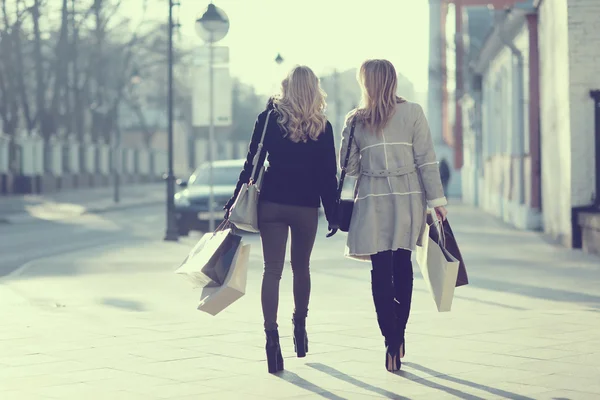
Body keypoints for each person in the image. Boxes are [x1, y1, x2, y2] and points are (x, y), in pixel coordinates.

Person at [224, 66, 338, 374]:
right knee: (301, 268)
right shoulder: (322, 127)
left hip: (271, 205)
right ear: (315, 89)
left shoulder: (268, 120)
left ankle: (271, 340)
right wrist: (333, 212)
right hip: (305, 207)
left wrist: (235, 199)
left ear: (285, 87)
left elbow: (251, 165)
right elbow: (329, 177)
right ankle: (299, 327)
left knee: (271, 270)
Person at [339, 59, 448, 372]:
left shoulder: (355, 120)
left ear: (366, 84)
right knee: (403, 267)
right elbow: (427, 159)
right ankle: (398, 338)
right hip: (407, 197)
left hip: (372, 198)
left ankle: (389, 339)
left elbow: (350, 168)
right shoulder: (412, 112)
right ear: (393, 80)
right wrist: (437, 200)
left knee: (379, 271)